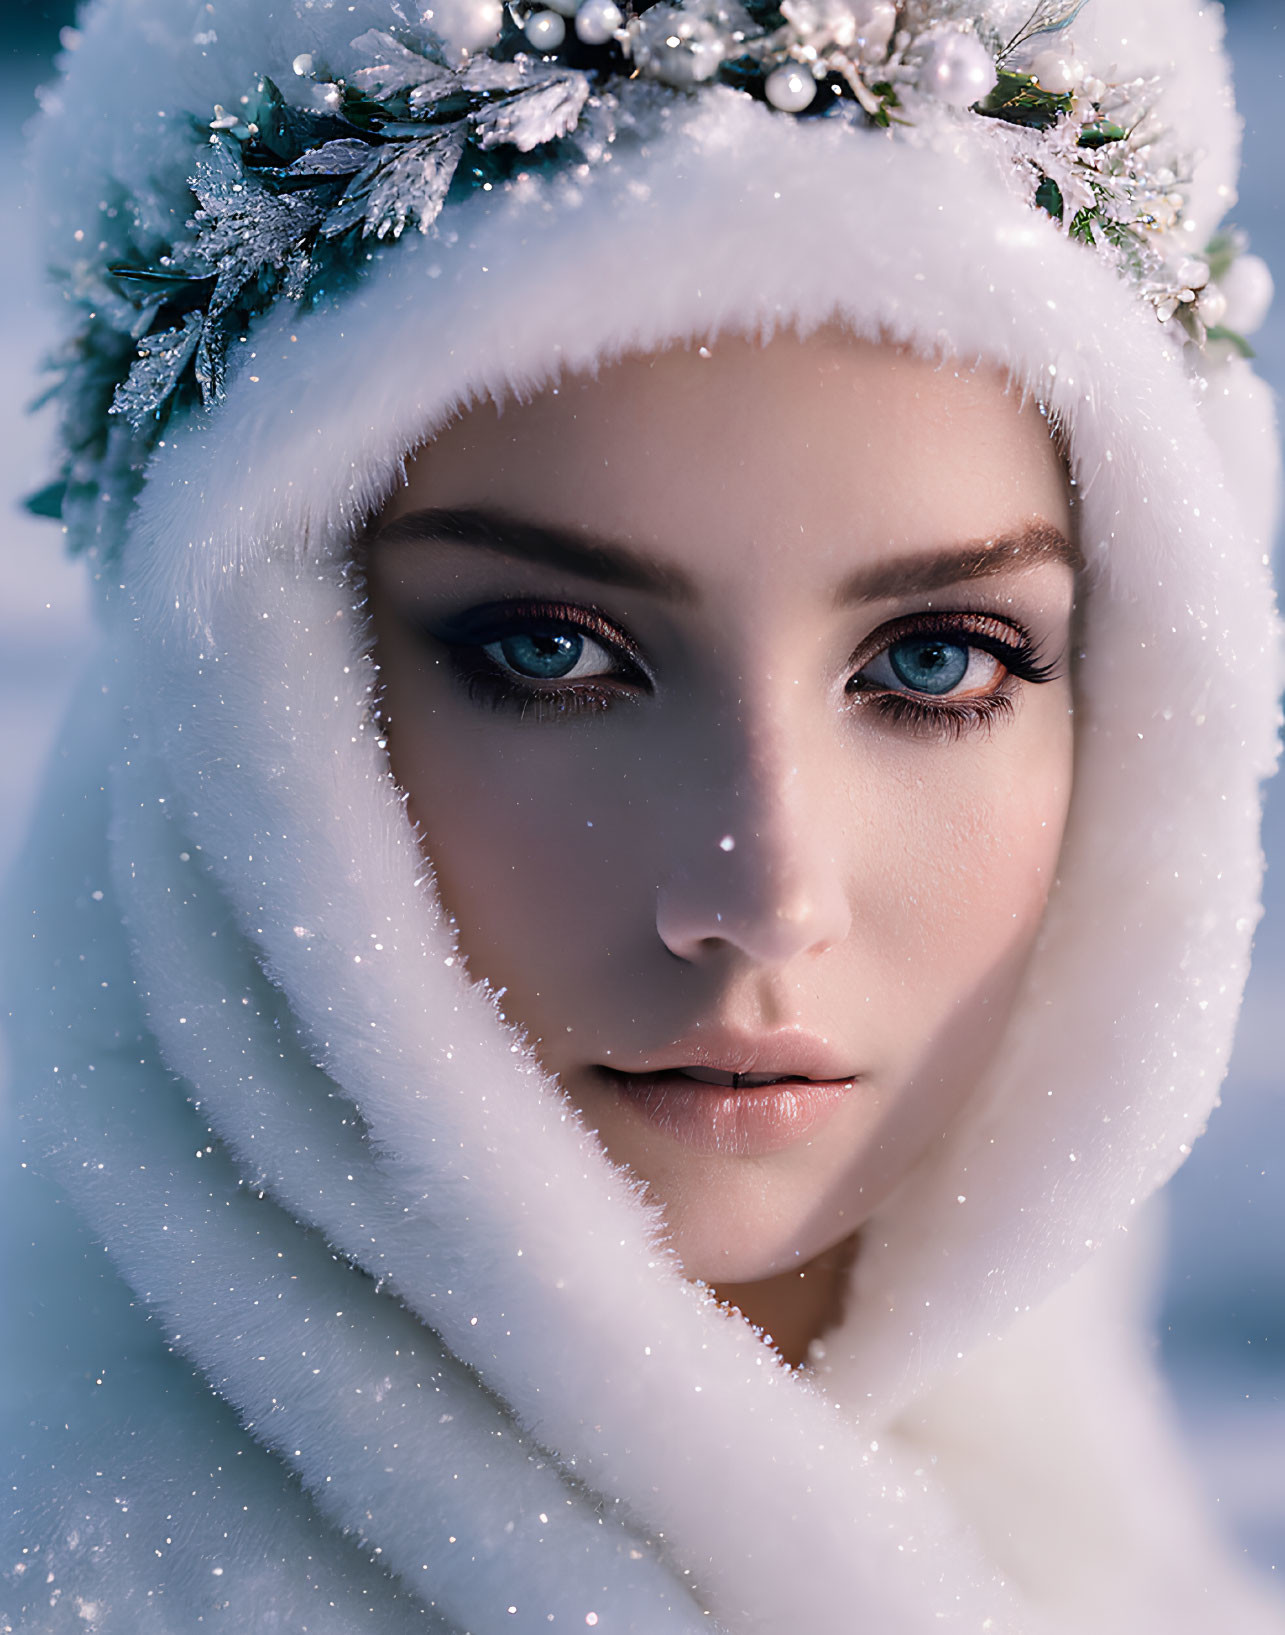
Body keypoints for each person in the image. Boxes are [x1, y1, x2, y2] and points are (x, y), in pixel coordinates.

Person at [1, 0, 1280, 1630]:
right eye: (550, 654)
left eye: (937, 660)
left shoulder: (1100, 1551)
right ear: (252, 714)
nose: (761, 891)